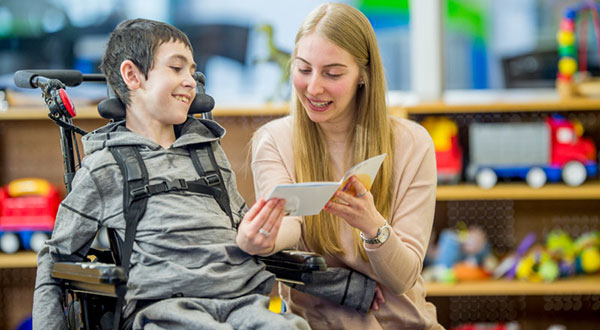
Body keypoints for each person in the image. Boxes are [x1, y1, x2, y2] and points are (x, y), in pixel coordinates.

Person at [32, 18, 309, 330]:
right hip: (168, 310)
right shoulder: (106, 166)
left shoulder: (207, 153)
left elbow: (240, 227)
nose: (190, 80)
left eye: (192, 71)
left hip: (242, 300)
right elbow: (55, 258)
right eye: (176, 69)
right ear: (132, 76)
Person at [251, 3, 442, 329]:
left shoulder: (413, 144)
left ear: (363, 76)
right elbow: (289, 228)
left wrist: (372, 225)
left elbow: (404, 277)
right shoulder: (273, 141)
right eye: (303, 69)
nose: (313, 88)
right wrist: (263, 239)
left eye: (333, 73)